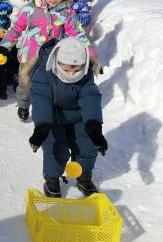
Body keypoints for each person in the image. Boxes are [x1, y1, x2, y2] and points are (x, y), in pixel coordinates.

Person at [0, 0, 96, 122]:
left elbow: (78, 34)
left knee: (50, 87)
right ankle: (23, 105)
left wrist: (91, 56)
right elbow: (16, 28)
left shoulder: (66, 12)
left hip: (51, 57)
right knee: (26, 84)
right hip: (29, 55)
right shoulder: (30, 9)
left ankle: (45, 110)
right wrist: (4, 47)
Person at [28, 36, 107, 198]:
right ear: (56, 62)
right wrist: (42, 126)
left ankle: (83, 177)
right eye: (67, 69)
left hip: (78, 116)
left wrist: (94, 126)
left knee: (86, 145)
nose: (72, 74)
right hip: (52, 118)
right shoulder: (44, 73)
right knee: (56, 148)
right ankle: (52, 179)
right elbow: (41, 99)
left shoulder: (85, 74)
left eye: (76, 69)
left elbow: (89, 96)